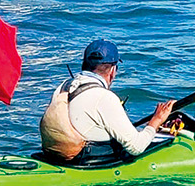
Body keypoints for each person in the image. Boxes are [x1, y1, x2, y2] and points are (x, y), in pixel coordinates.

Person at [39, 39, 175, 163]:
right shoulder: (104, 98)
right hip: (86, 161)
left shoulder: (64, 86)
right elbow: (136, 147)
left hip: (55, 155)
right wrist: (156, 121)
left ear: (84, 64)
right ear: (112, 70)